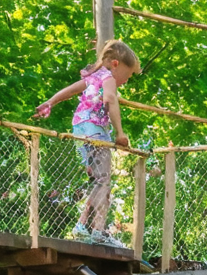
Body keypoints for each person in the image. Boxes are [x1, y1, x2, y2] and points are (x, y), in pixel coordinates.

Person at [35, 39, 141, 247]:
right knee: (104, 180)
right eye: (127, 76)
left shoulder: (93, 77)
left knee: (99, 180)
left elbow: (71, 90)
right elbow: (110, 100)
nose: (126, 81)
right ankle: (98, 230)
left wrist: (50, 102)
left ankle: (83, 226)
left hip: (80, 129)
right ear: (116, 64)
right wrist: (120, 133)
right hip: (95, 130)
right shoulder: (108, 78)